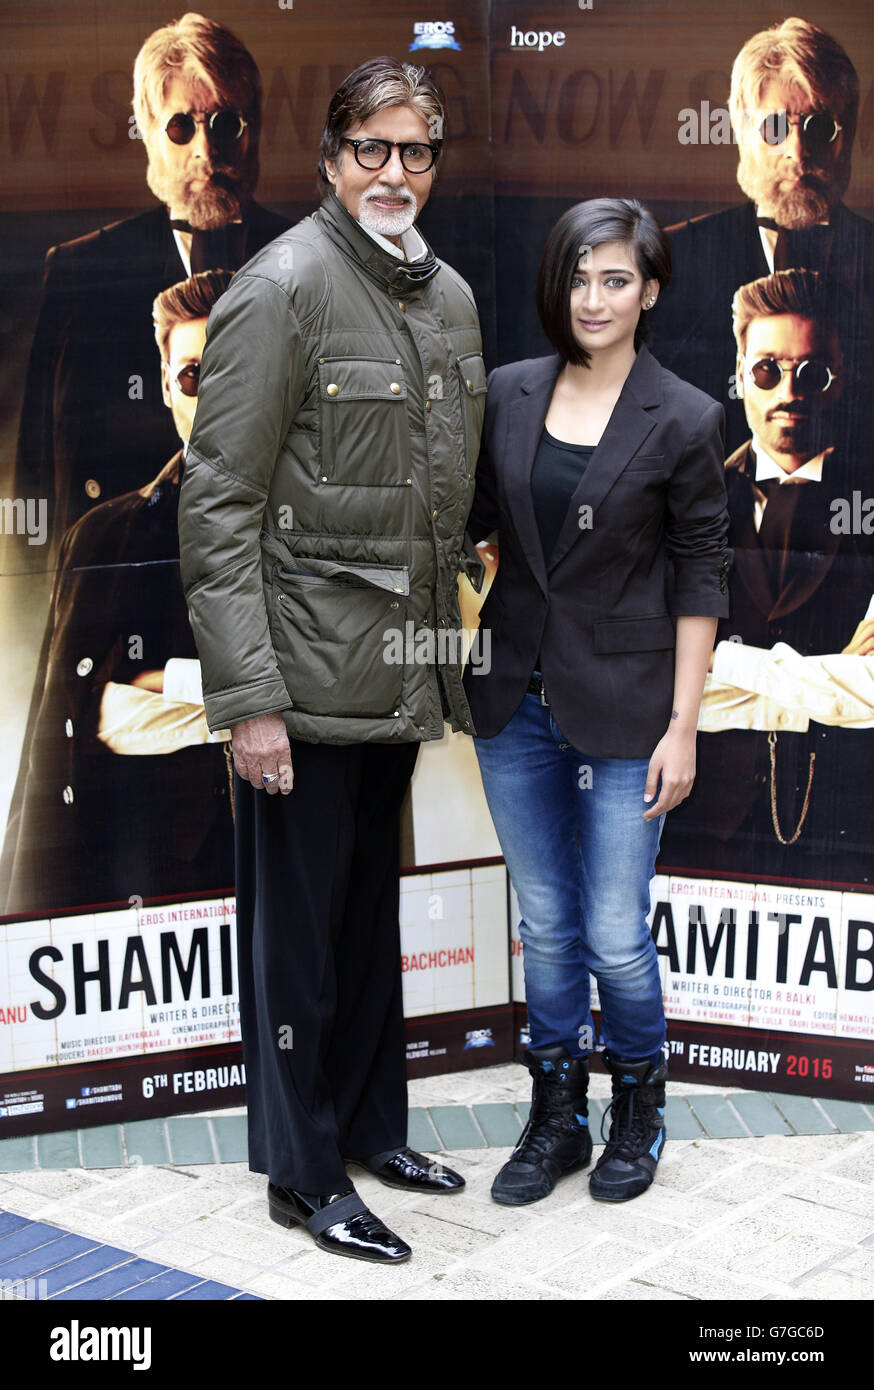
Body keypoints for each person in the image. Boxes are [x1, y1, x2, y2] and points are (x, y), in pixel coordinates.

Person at [178, 57, 488, 1264]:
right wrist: (248, 702)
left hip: (398, 676)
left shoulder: (451, 298)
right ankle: (305, 1181)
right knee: (296, 945)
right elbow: (218, 508)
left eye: (416, 152)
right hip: (298, 688)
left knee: (367, 923)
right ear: (330, 158)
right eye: (373, 149)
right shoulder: (280, 289)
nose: (395, 173)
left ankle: (371, 1128)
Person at [463, 198, 731, 1206]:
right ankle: (556, 1115)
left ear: (650, 290)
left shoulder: (688, 415)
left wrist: (682, 723)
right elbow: (477, 527)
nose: (593, 296)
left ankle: (639, 1108)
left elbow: (702, 571)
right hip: (513, 701)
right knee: (545, 918)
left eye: (615, 278)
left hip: (630, 710)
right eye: (578, 276)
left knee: (615, 926)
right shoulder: (507, 392)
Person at [7, 11, 289, 566]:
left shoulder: (316, 263)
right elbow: (37, 474)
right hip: (120, 588)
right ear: (148, 134)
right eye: (182, 126)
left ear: (254, 132)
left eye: (225, 123)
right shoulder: (79, 272)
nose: (205, 152)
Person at [0, 271, 235, 917]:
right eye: (192, 374)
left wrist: (171, 686)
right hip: (156, 892)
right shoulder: (105, 538)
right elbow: (90, 723)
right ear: (165, 386)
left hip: (310, 859)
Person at [660, 269, 874, 886]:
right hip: (701, 816)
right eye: (766, 370)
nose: (789, 390)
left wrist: (714, 664)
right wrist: (828, 683)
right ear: (738, 371)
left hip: (850, 819)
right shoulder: (680, 498)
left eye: (813, 372)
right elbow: (654, 680)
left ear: (842, 375)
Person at [651, 18, 874, 457]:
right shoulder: (673, 260)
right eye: (775, 128)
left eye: (820, 127)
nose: (796, 151)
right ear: (741, 132)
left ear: (846, 138)